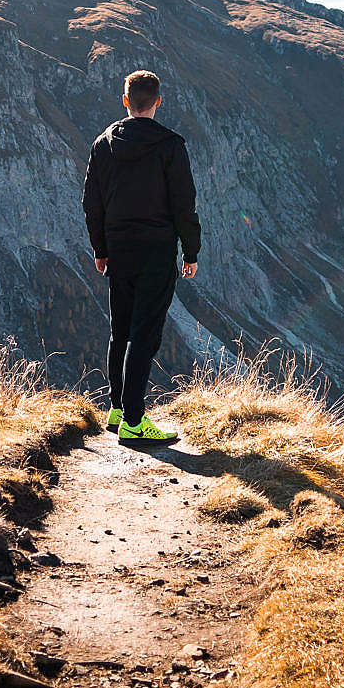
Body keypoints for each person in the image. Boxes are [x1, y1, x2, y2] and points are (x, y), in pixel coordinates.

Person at [80, 69, 201, 443]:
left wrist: (100, 248)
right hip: (156, 249)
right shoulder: (170, 145)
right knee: (145, 334)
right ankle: (135, 421)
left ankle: (118, 410)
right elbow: (184, 204)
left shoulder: (103, 144)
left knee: (121, 330)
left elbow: (91, 202)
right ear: (158, 102)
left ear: (125, 100)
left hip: (118, 248)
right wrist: (190, 251)